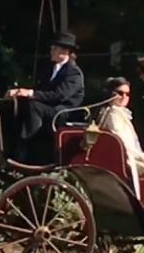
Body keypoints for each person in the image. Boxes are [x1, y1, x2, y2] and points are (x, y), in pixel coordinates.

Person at [5, 30, 85, 163]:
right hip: (50, 108)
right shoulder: (51, 69)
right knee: (22, 103)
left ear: (65, 52)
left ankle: (28, 146)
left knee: (33, 105)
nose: (51, 51)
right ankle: (11, 140)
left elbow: (58, 96)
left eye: (54, 48)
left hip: (64, 111)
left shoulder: (73, 73)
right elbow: (40, 90)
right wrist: (19, 92)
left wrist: (30, 93)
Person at [96, 77, 144, 198]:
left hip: (131, 158)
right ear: (111, 94)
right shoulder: (113, 115)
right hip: (126, 162)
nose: (124, 97)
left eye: (127, 94)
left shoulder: (118, 112)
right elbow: (123, 143)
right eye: (120, 93)